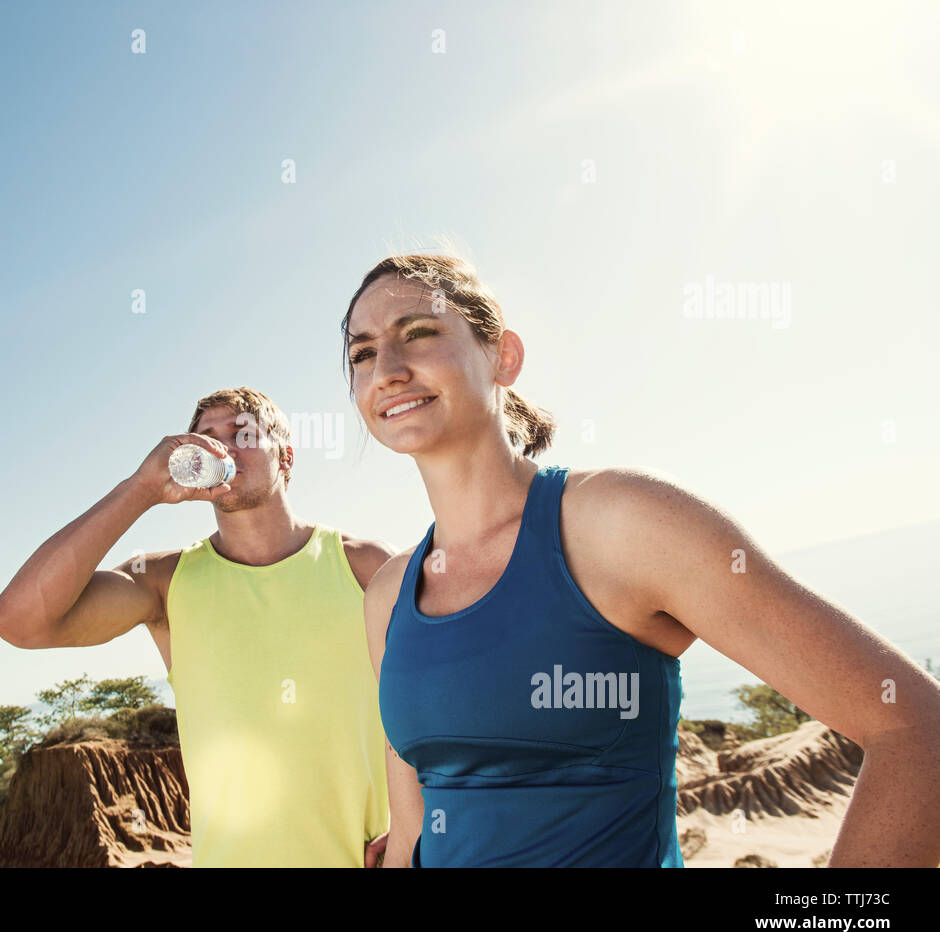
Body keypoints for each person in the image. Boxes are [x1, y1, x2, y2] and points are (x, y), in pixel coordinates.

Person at [341, 251, 940, 868]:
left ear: (503, 355)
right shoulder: (388, 593)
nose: (386, 369)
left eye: (418, 333)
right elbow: (412, 823)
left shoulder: (621, 521)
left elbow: (916, 729)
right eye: (361, 354)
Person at [0, 387, 395, 867]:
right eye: (204, 439)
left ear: (285, 456)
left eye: (242, 432)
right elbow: (18, 621)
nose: (222, 447)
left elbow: (428, 708)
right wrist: (141, 488)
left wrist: (414, 831)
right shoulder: (163, 582)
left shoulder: (364, 566)